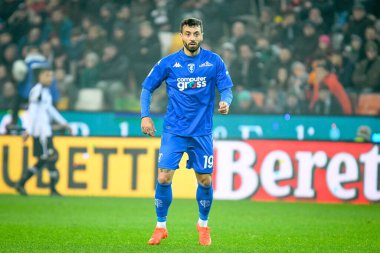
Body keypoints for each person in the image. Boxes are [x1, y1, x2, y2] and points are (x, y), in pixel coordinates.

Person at [140, 18, 233, 246]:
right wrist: (145, 115)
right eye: (188, 33)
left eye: (196, 33)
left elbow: (227, 88)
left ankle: (203, 224)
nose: (192, 38)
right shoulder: (169, 63)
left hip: (201, 132)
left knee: (205, 181)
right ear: (181, 36)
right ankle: (160, 227)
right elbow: (146, 88)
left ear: (202, 35)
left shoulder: (214, 61)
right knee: (163, 176)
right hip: (174, 130)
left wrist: (226, 102)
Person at [15, 66, 70, 196]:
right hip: (41, 133)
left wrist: (64, 123)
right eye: (47, 75)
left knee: (43, 160)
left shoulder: (45, 92)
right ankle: (52, 189)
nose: (50, 78)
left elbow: (50, 109)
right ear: (39, 77)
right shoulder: (37, 91)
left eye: (51, 76)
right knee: (51, 157)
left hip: (46, 131)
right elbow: (32, 112)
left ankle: (21, 183)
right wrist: (28, 130)